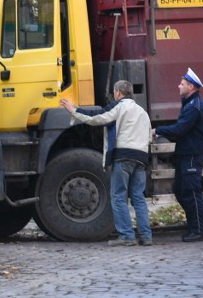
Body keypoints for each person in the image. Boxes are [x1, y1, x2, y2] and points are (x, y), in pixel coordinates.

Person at [60, 80, 153, 246]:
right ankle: (146, 236)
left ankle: (126, 236)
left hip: (123, 157)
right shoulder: (142, 112)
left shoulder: (118, 106)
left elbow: (96, 118)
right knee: (138, 197)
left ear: (118, 92)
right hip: (141, 158)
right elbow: (149, 137)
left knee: (118, 196)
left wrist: (73, 110)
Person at [154, 68, 203, 242]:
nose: (179, 86)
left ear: (191, 86)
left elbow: (179, 129)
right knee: (181, 191)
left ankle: (198, 231)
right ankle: (194, 227)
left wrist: (158, 130)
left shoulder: (193, 107)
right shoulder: (190, 104)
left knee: (191, 192)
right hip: (187, 154)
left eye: (182, 84)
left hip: (192, 154)